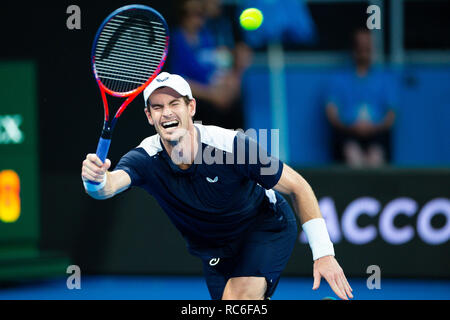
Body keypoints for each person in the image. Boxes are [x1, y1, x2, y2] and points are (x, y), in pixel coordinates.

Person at [81, 72, 353, 300]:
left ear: (191, 108)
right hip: (214, 249)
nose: (167, 113)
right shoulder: (144, 158)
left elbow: (297, 186)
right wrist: (93, 180)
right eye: (158, 107)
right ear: (149, 116)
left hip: (264, 226)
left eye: (174, 103)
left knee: (239, 301)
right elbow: (107, 186)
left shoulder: (233, 146)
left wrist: (324, 253)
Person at [169, 0, 245, 129]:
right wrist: (212, 95)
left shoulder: (207, 36)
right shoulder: (176, 40)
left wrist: (229, 86)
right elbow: (178, 80)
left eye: (200, 13)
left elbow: (221, 66)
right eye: (189, 14)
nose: (195, 19)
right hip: (197, 111)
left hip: (220, 108)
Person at [325, 28, 396, 167]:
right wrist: (350, 127)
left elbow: (392, 114)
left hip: (377, 134)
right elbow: (331, 113)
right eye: (360, 47)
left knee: (376, 157)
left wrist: (374, 127)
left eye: (367, 48)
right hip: (347, 133)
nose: (364, 52)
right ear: (353, 49)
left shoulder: (385, 79)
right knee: (352, 155)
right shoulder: (338, 79)